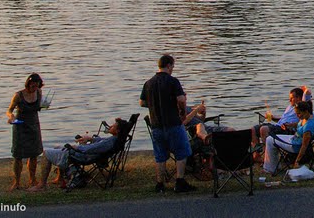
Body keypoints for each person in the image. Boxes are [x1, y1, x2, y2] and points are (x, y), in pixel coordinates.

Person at [139, 54, 196, 193]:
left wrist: (154, 105)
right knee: (182, 152)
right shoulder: (173, 81)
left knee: (160, 155)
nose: (172, 69)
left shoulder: (148, 83)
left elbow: (142, 102)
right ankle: (179, 182)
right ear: (169, 65)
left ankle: (160, 184)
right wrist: (182, 112)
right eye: (172, 67)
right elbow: (181, 99)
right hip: (173, 124)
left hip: (156, 126)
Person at [30, 119, 126, 191]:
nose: (110, 127)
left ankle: (42, 184)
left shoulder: (110, 142)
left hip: (82, 157)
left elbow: (90, 149)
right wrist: (90, 139)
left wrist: (75, 147)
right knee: (57, 147)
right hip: (90, 155)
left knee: (46, 153)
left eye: (113, 126)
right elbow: (100, 143)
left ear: (117, 131)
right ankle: (59, 178)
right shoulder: (114, 140)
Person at [6, 73, 45, 191]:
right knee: (18, 155)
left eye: (37, 86)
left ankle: (32, 179)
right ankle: (16, 181)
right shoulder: (18, 95)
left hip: (34, 125)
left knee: (34, 154)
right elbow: (9, 110)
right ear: (28, 84)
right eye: (33, 86)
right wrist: (11, 117)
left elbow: (39, 107)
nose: (35, 88)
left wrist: (44, 106)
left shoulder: (39, 92)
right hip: (20, 126)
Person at [262, 100, 314, 173]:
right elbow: (299, 124)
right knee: (272, 138)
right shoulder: (310, 117)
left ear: (306, 111)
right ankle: (275, 165)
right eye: (296, 114)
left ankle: (270, 168)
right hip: (294, 139)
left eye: (299, 113)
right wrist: (290, 125)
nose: (298, 116)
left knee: (269, 139)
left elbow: (304, 146)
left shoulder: (308, 127)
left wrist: (297, 161)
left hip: (295, 146)